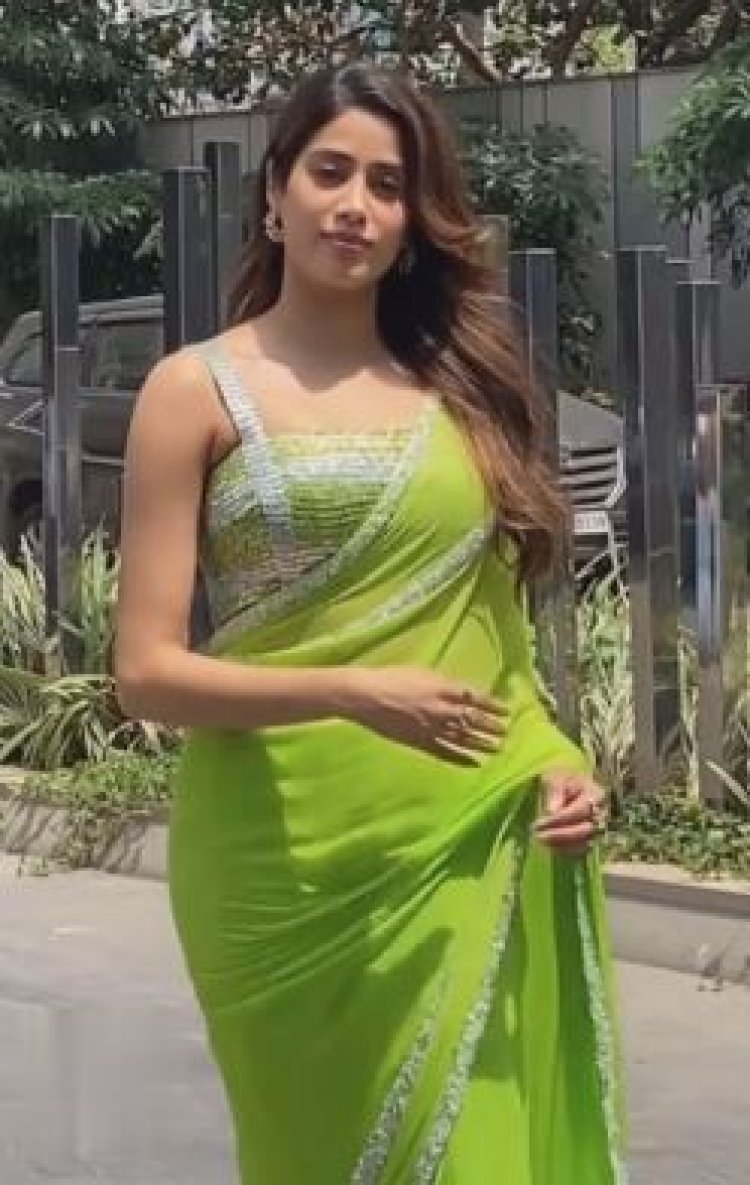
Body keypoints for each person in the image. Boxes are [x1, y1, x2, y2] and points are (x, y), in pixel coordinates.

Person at [115, 63, 628, 1185]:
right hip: (278, 862)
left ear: (411, 221)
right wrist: (351, 692)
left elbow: (503, 657)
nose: (355, 205)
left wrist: (560, 769)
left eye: (387, 185)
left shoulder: (463, 400)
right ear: (276, 195)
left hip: (461, 839)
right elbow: (145, 673)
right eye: (331, 172)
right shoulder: (193, 391)